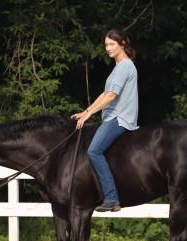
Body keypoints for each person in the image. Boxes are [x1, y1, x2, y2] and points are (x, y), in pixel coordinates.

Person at [71, 29, 138, 212]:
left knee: (94, 151)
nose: (108, 48)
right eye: (106, 45)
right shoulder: (119, 67)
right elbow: (104, 94)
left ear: (122, 44)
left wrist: (88, 114)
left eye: (112, 44)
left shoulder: (124, 66)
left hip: (119, 117)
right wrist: (86, 111)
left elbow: (111, 96)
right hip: (112, 116)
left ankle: (111, 198)